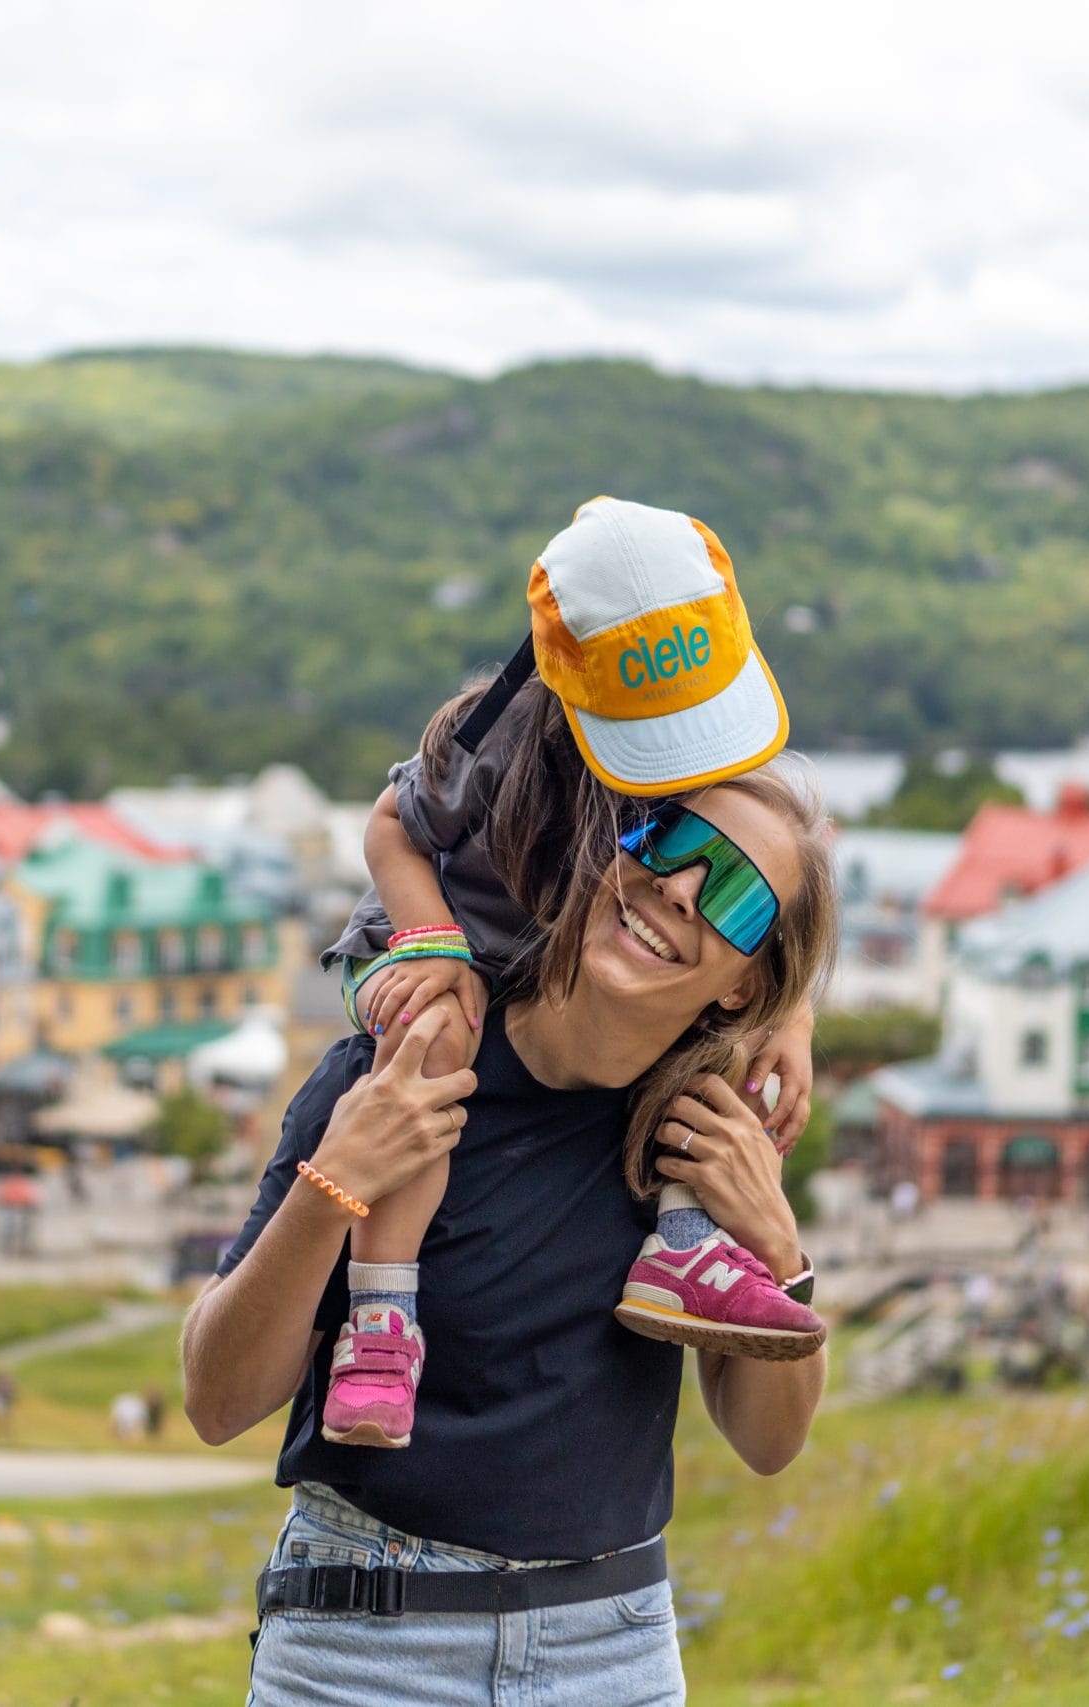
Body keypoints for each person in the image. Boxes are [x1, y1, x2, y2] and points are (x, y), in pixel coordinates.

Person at [186, 763, 838, 1702]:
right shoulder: (400, 1071)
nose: (682, 889)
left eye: (736, 895)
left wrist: (778, 1246)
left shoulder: (703, 1138)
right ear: (611, 850)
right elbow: (216, 1400)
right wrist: (335, 1185)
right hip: (361, 1646)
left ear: (745, 987)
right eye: (671, 843)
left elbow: (769, 1442)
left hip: (611, 1653)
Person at [318, 497, 822, 1450]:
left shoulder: (708, 759)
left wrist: (789, 1018)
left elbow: (776, 885)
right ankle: (382, 1316)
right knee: (440, 1035)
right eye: (659, 726)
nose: (686, 747)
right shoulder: (494, 739)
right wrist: (435, 943)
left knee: (726, 1032)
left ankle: (685, 1248)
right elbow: (391, 826)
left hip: (559, 960)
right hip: (438, 941)